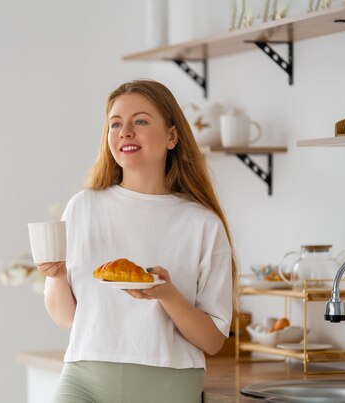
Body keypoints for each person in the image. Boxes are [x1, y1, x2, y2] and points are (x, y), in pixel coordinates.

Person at [37, 79, 238, 403]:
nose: (125, 132)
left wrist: (167, 294)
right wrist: (57, 276)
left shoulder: (201, 224)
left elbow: (213, 341)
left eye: (140, 121)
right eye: (115, 124)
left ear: (172, 136)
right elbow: (66, 318)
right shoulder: (83, 207)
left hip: (165, 386)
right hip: (84, 377)